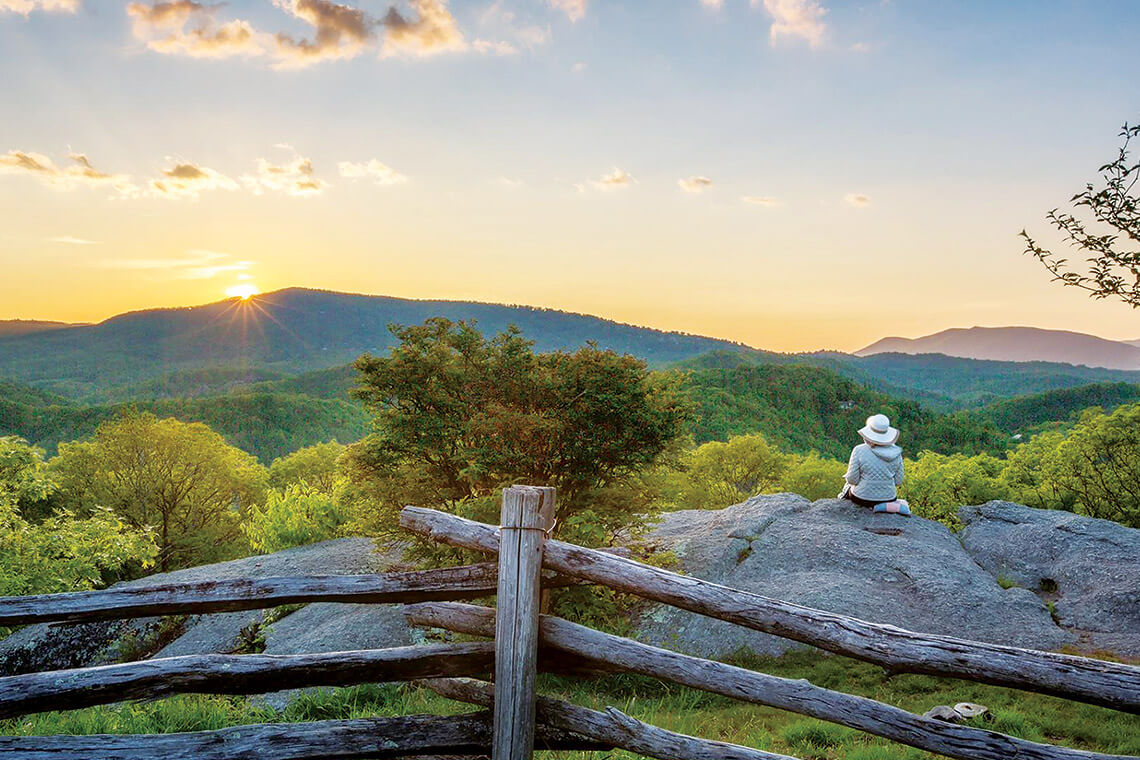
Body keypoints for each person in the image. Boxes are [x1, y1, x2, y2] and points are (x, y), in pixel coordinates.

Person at [840, 414, 905, 509]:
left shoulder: (859, 450)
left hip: (862, 498)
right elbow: (898, 481)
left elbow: (852, 479)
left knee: (848, 486)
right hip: (889, 498)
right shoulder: (896, 452)